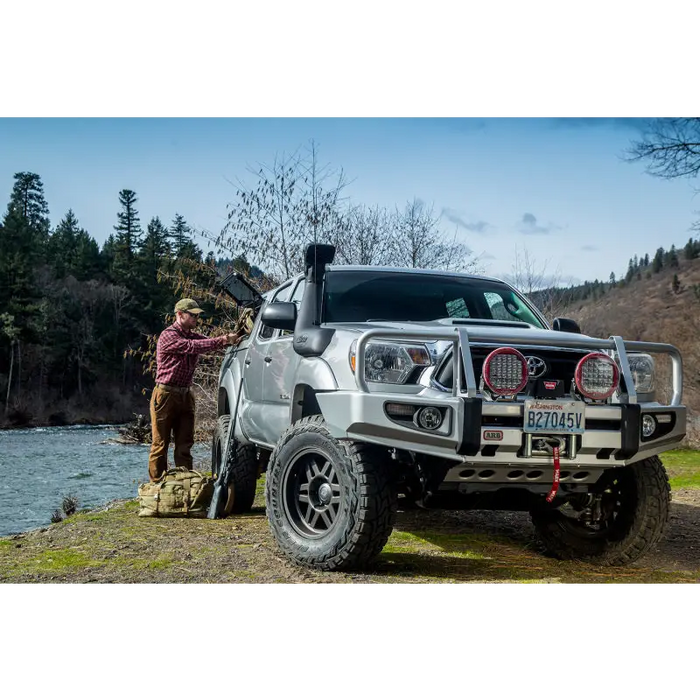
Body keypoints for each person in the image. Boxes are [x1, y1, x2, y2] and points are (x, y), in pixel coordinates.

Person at [148, 298, 245, 482]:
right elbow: (193, 347)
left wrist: (232, 339)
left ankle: (185, 485)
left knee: (184, 444)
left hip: (185, 395)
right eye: (192, 315)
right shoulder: (168, 335)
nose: (196, 318)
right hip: (165, 395)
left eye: (197, 315)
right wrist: (223, 339)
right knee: (160, 445)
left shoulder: (191, 334)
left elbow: (209, 343)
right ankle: (157, 488)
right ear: (179, 314)